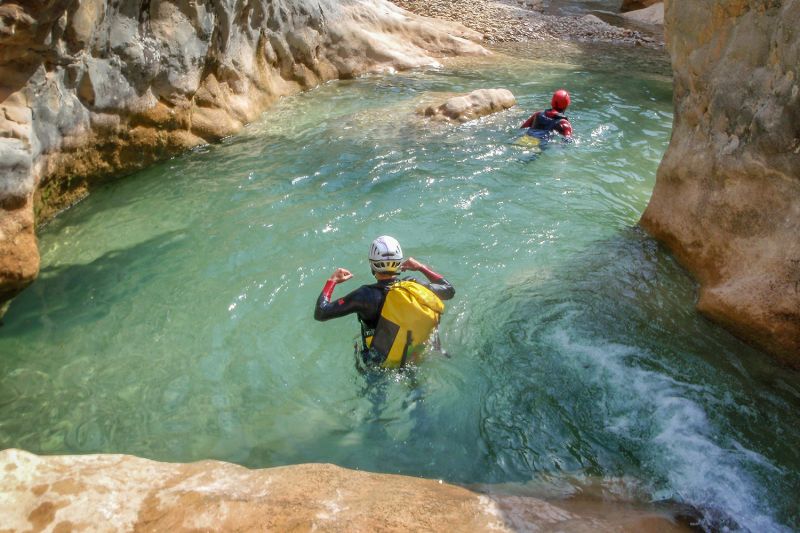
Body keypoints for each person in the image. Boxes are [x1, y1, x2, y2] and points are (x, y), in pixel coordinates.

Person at [314, 235, 455, 369]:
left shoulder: (364, 296)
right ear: (399, 262)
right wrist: (420, 267)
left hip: (378, 362)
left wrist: (331, 281)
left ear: (372, 264)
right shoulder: (413, 285)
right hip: (410, 355)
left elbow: (321, 312)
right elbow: (448, 290)